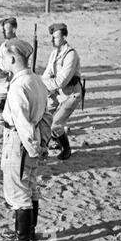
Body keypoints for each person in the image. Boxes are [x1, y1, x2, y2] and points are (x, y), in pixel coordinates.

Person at [0, 39, 49, 241]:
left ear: (12, 58)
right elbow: (47, 115)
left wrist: (33, 147)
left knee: (18, 190)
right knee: (31, 187)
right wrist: (42, 142)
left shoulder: (18, 85)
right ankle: (29, 231)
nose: (2, 62)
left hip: (19, 141)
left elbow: (22, 121)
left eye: (4, 59)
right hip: (32, 137)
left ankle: (22, 240)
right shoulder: (36, 80)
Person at [41, 23, 82, 160]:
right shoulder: (54, 53)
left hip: (71, 95)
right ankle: (54, 140)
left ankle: (66, 148)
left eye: (56, 38)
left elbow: (61, 81)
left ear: (64, 37)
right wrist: (45, 82)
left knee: (55, 123)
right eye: (52, 37)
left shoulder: (71, 54)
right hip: (56, 93)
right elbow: (46, 74)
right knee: (44, 117)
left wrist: (45, 82)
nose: (52, 40)